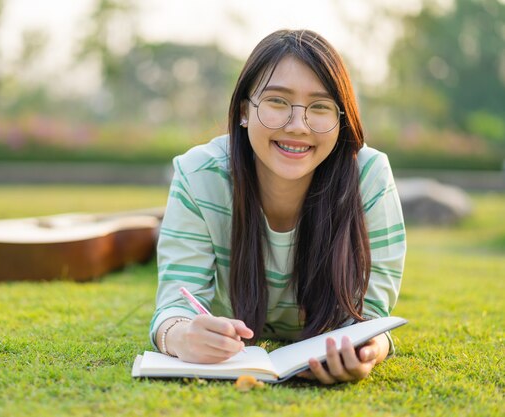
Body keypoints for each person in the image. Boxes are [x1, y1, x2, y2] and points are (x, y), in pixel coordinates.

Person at [149, 29, 406, 384]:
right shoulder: (198, 175)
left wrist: (368, 350)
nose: (297, 126)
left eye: (319, 107)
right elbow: (175, 306)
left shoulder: (370, 178)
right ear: (244, 110)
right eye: (277, 102)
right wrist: (179, 336)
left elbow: (373, 317)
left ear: (341, 119)